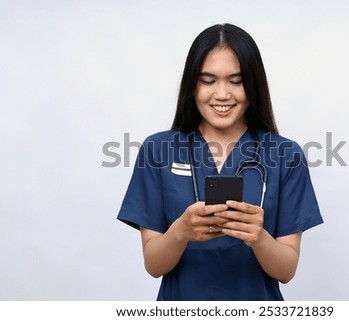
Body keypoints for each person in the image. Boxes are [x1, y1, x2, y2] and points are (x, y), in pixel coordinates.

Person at [117, 23, 323, 300]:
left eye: (236, 81)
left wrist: (258, 238)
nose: (222, 94)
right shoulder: (158, 150)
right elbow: (154, 266)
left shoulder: (286, 155)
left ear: (253, 84)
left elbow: (286, 271)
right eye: (208, 80)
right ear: (192, 85)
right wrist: (180, 231)